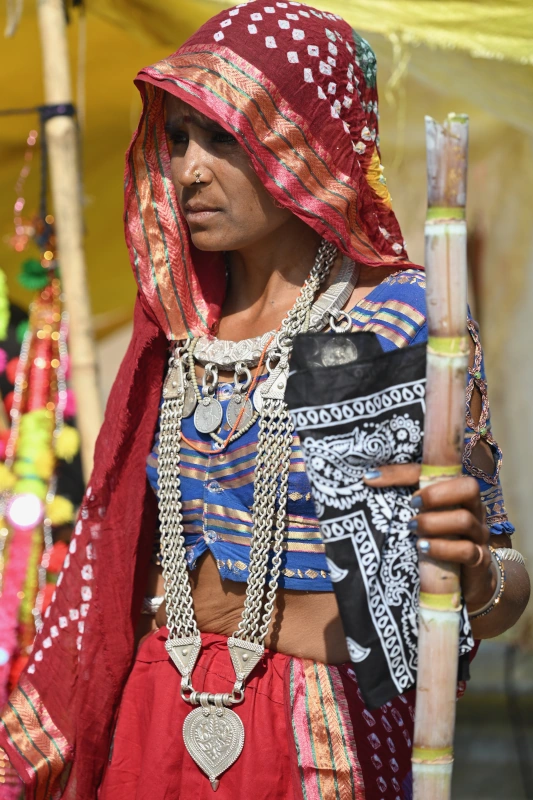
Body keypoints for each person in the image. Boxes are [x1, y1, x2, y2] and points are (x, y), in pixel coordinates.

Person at [0, 3, 529, 798]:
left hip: (321, 733)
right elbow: (120, 566)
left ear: (305, 143)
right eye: (178, 139)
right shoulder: (175, 324)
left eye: (222, 138)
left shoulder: (390, 319)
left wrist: (473, 572)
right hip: (151, 722)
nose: (188, 170)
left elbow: (493, 587)